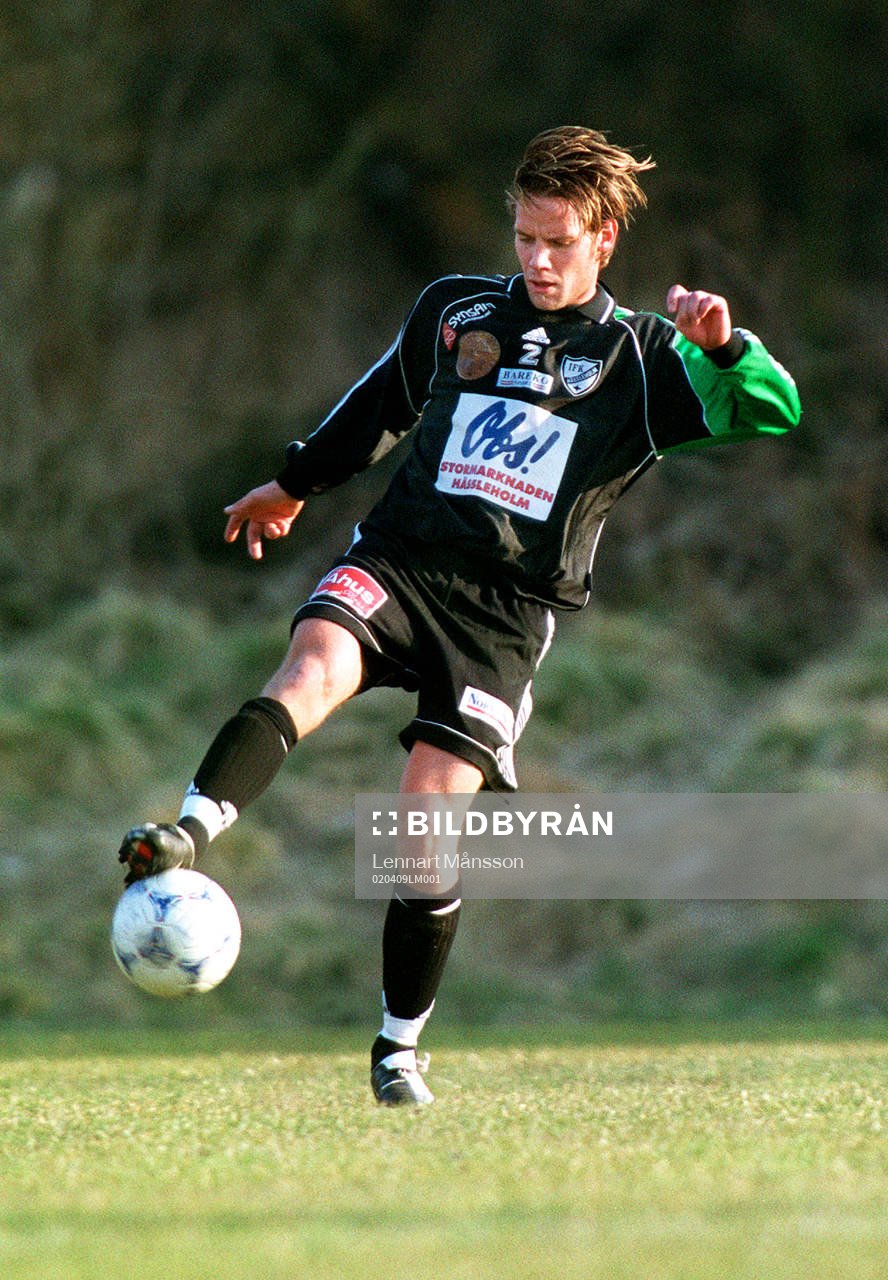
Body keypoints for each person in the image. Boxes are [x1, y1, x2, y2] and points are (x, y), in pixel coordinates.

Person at [117, 125, 801, 1105]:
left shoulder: (648, 356)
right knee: (311, 664)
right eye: (525, 237)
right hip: (401, 559)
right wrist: (295, 481)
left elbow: (774, 408)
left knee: (422, 827)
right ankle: (187, 833)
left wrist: (726, 346)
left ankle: (397, 1051)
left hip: (505, 619)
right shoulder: (458, 311)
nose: (538, 259)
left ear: (605, 239)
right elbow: (380, 406)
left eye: (559, 242)